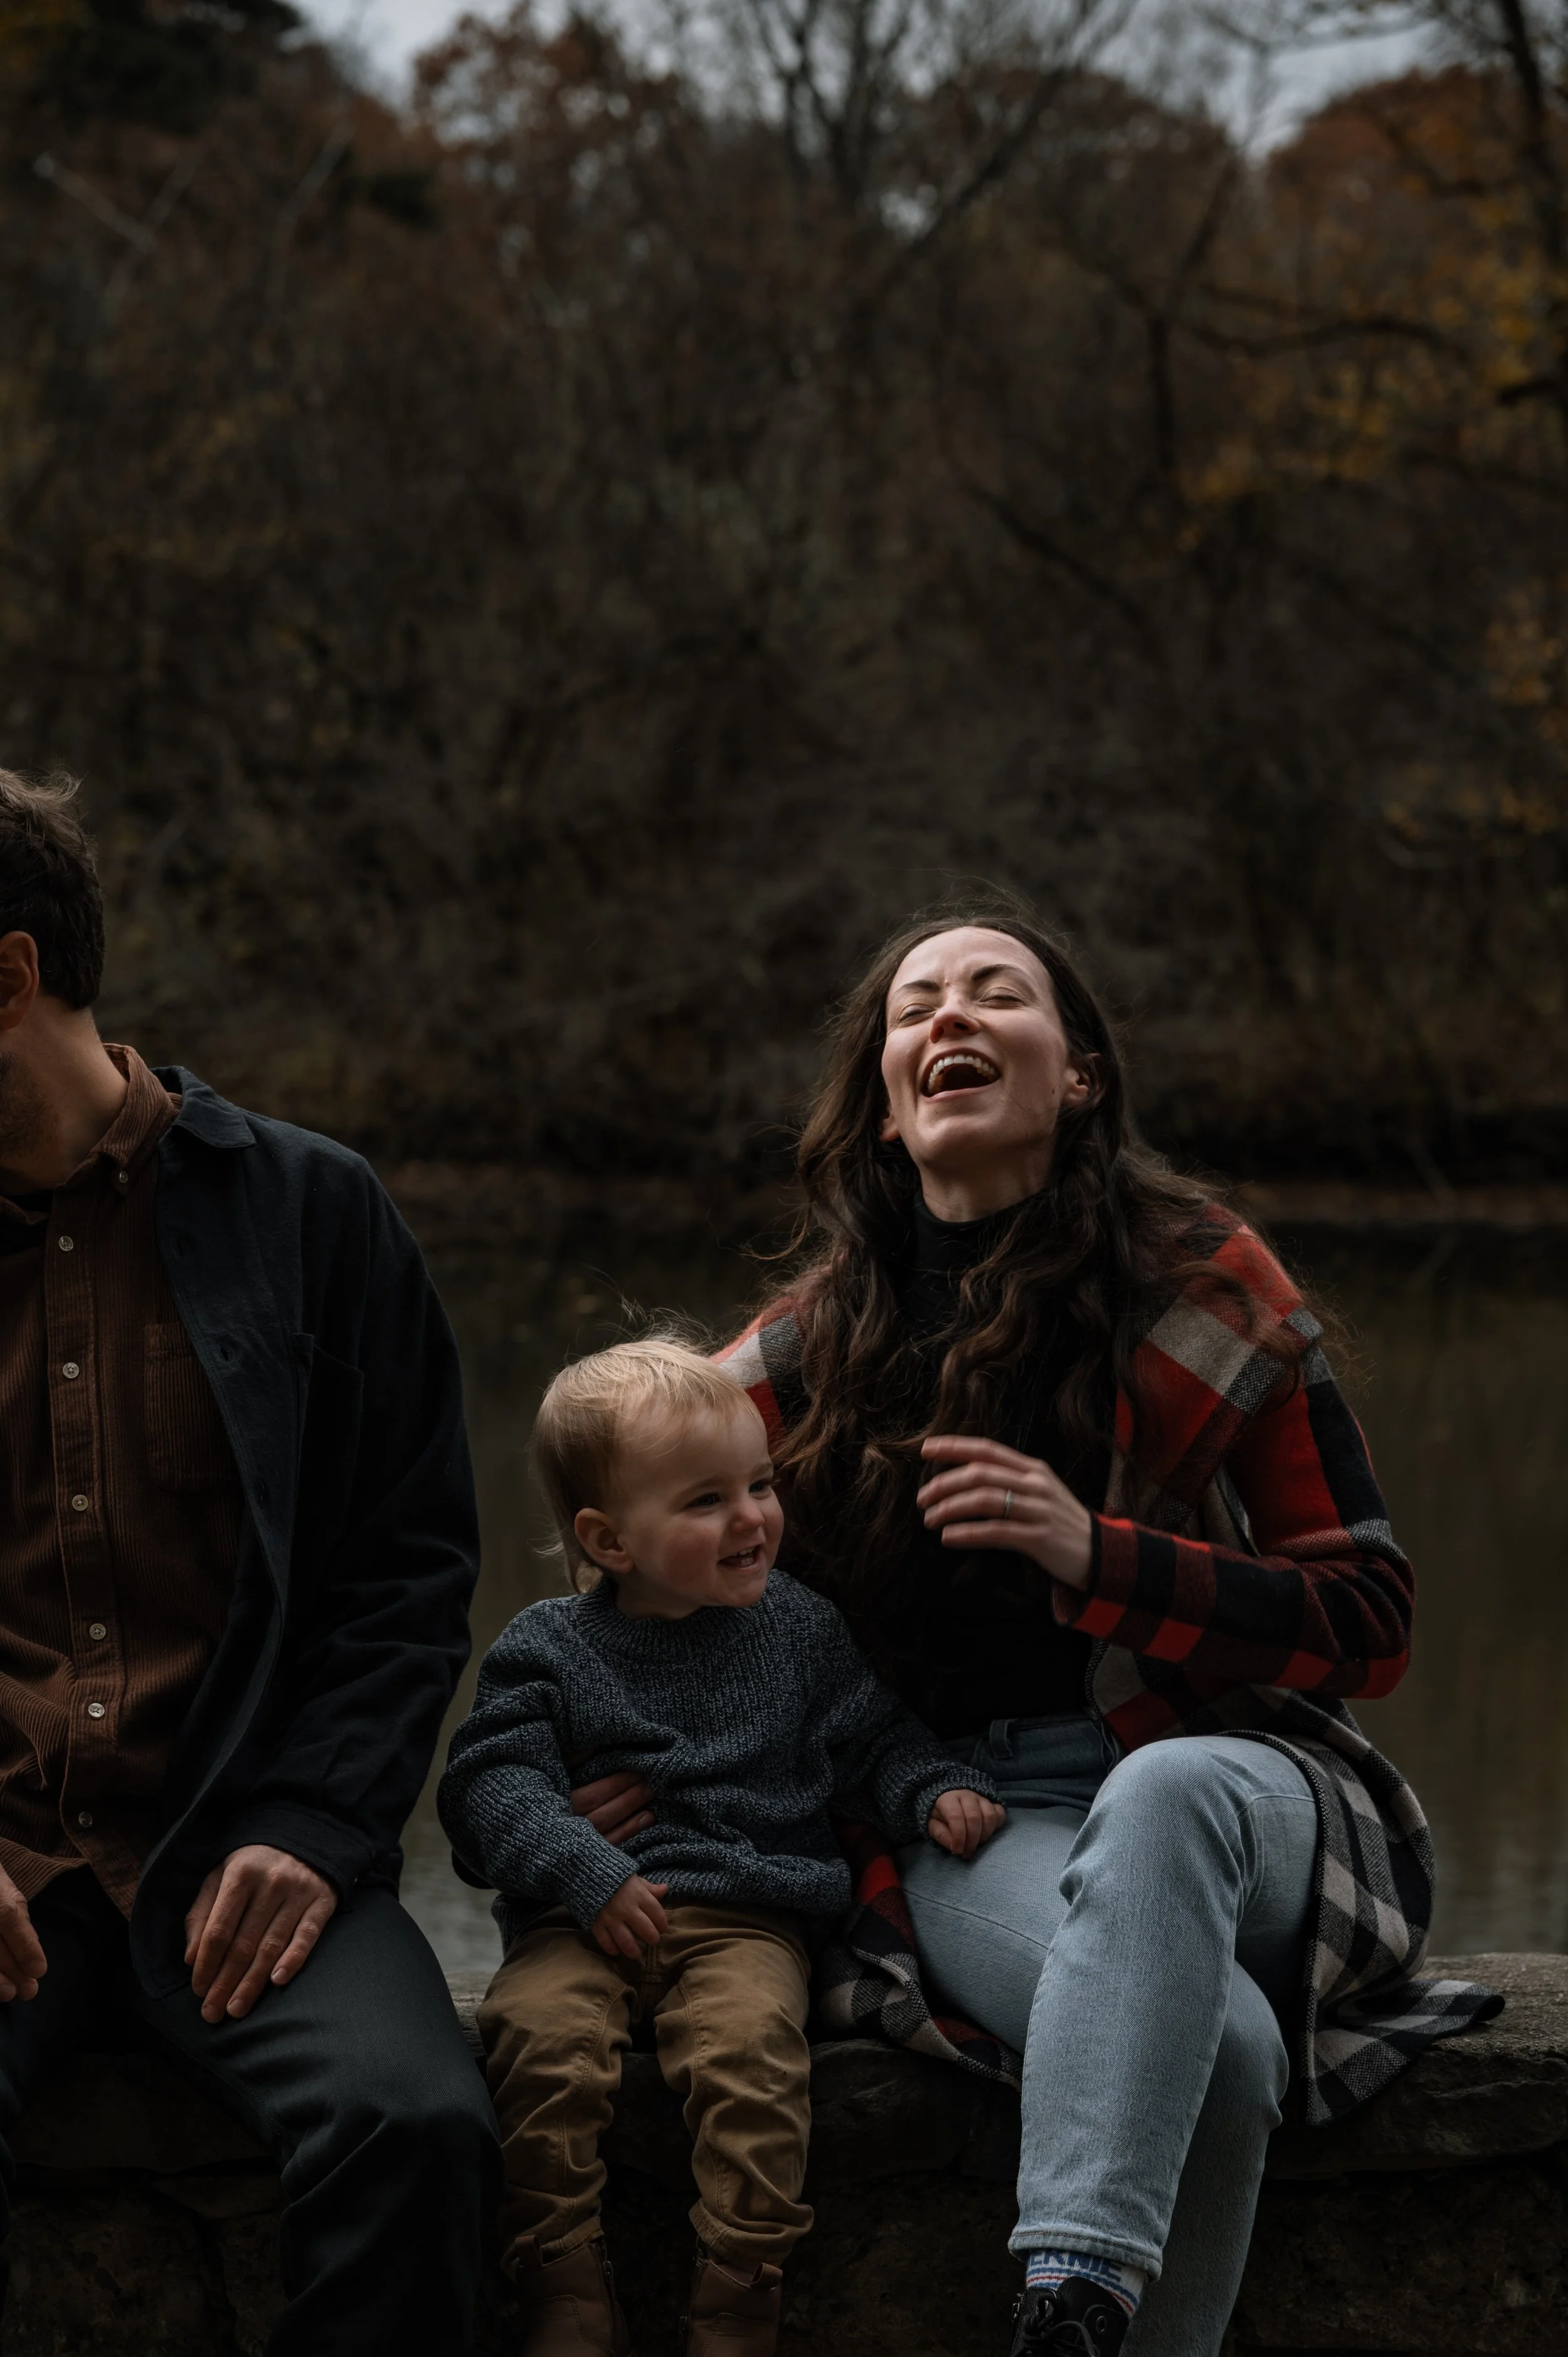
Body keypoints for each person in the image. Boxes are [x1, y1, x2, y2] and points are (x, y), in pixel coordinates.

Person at [570, 906, 1498, 2357]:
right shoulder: (810, 1351)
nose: (948, 1017)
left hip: (1227, 1781)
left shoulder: (1204, 1285)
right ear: (884, 1108)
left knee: (1164, 1790)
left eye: (996, 994)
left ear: (1076, 1076)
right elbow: (629, 1565)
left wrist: (1100, 1556)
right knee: (1228, 2051)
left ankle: (1058, 2295)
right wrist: (604, 1754)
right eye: (913, 1007)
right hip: (969, 1816)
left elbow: (1368, 1622)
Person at [0, 772, 500, 2353]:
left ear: (9, 976)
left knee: (414, 2125)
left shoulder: (310, 1210)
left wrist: (310, 1821)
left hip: (242, 1845)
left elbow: (409, 1571)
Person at [438, 1337, 1004, 2357]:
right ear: (610, 1542)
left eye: (758, 1484)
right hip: (581, 1919)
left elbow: (871, 1739)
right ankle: (559, 2276)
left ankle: (741, 2291)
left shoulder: (799, 1630)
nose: (751, 1518)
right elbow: (489, 1783)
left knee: (753, 2063)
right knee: (537, 2043)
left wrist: (936, 1787)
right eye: (706, 1502)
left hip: (745, 1920)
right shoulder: (548, 1648)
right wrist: (578, 1861)